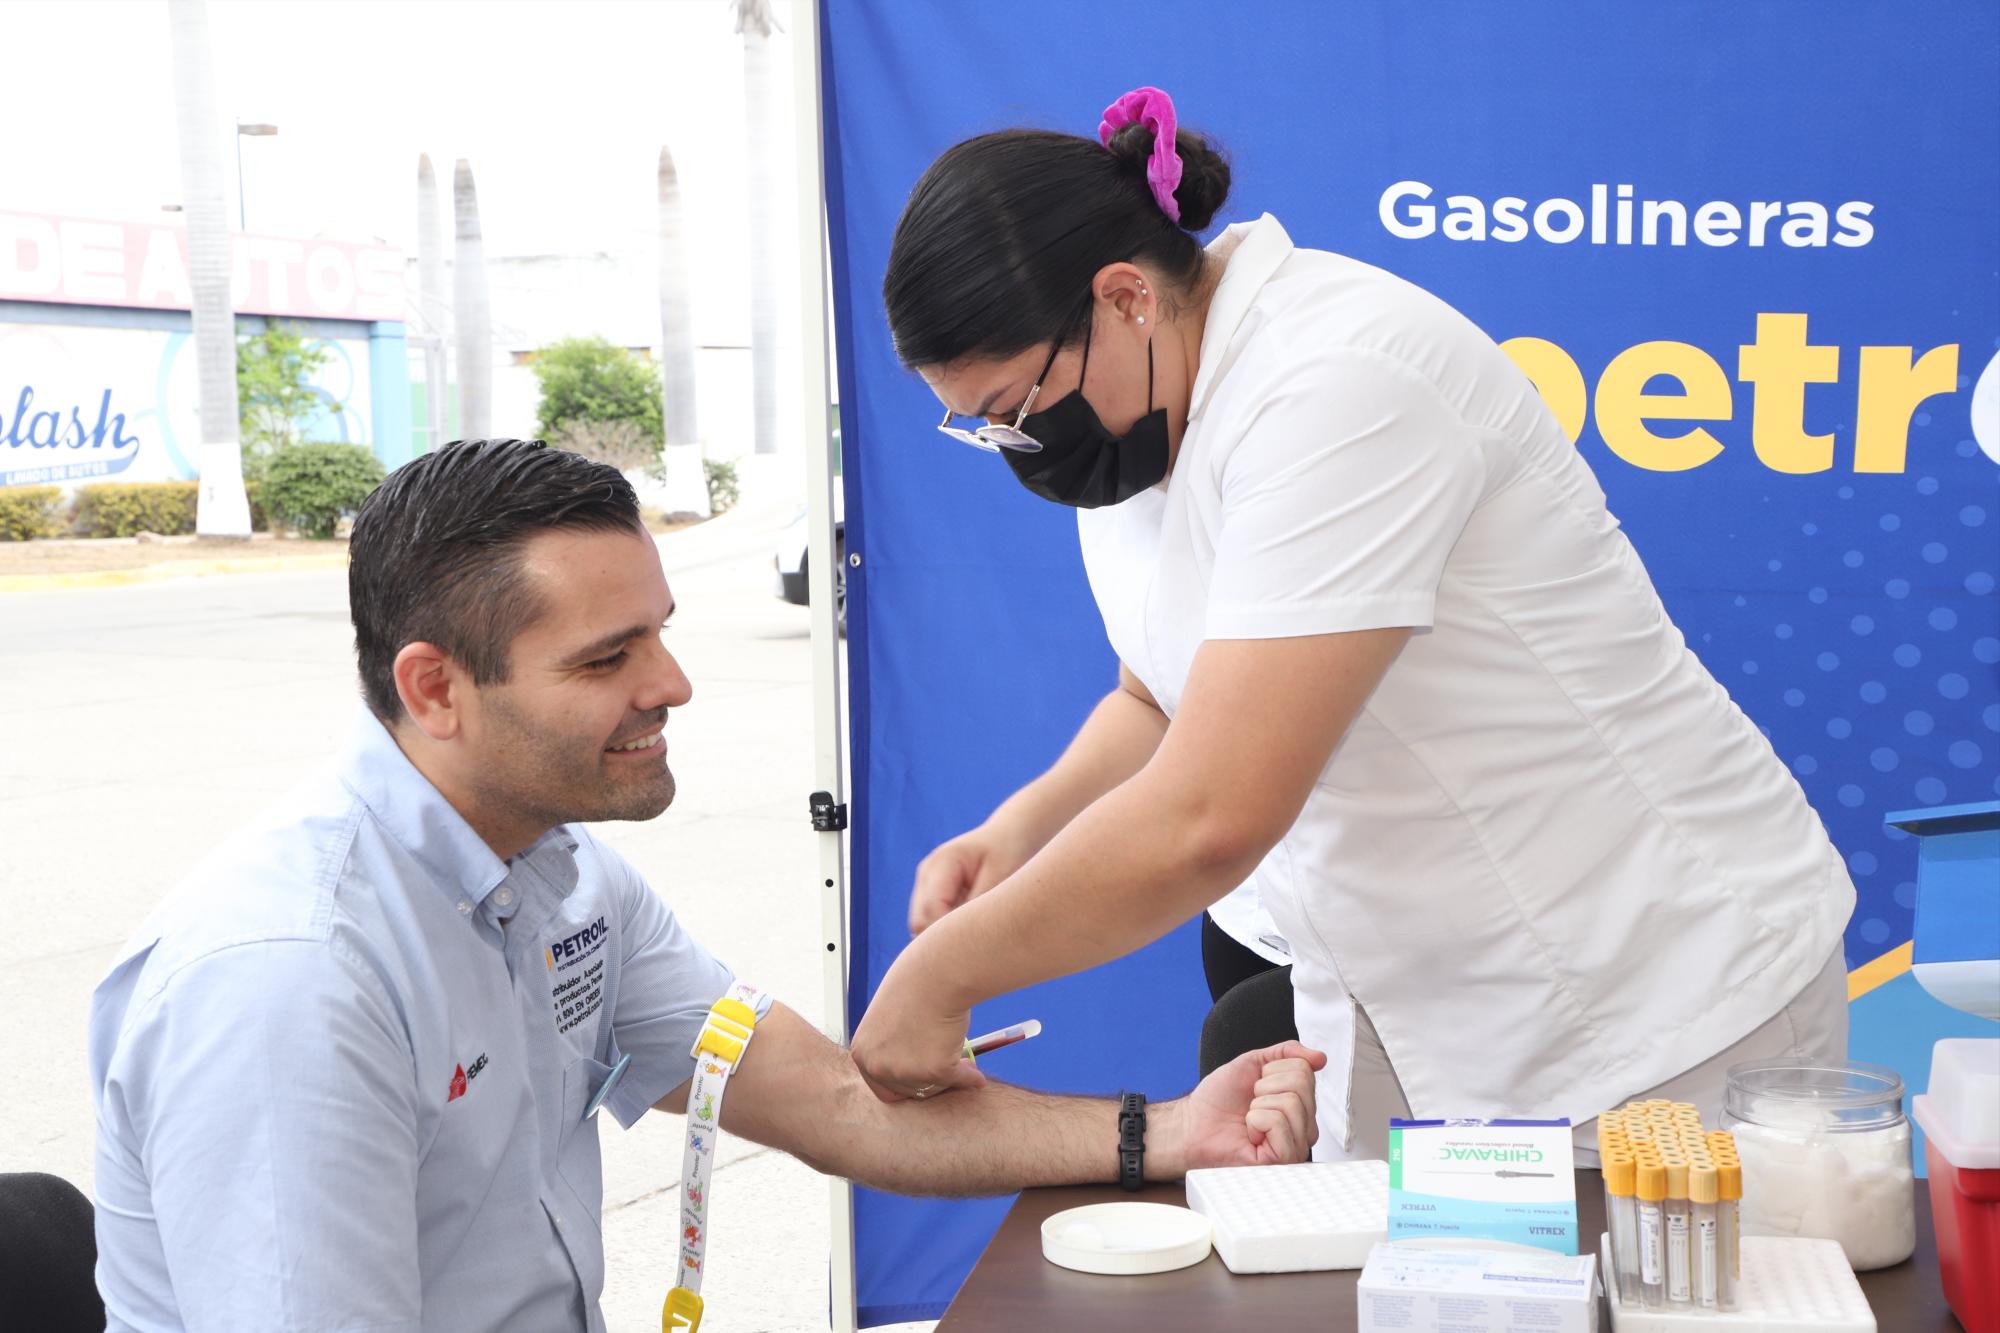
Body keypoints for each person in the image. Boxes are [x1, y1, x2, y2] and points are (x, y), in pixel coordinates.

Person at [86, 438, 1323, 1332]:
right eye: (608, 656)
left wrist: (1160, 1132)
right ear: (432, 689)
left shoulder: (563, 881)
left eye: (662, 632)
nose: (672, 683)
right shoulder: (294, 984)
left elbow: (835, 1099)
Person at [849, 87, 1854, 1162]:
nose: (1021, 442)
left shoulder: (1340, 384)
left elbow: (1211, 813)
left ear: (1126, 296)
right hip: (1410, 990)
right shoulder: (1145, 418)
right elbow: (1156, 694)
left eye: (1015, 404)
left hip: (1648, 989)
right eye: (987, 426)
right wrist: (1023, 827)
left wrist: (940, 975)